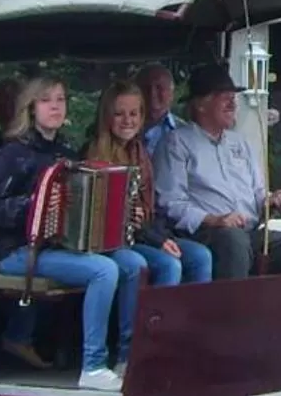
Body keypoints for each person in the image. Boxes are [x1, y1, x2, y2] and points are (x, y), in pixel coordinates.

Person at [0, 77, 134, 389]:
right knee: (103, 270)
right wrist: (36, 205)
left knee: (132, 263)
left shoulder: (66, 151)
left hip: (59, 247)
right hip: (18, 251)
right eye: (46, 100)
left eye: (60, 100)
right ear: (31, 108)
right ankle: (92, 366)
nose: (55, 106)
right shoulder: (13, 153)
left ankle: (129, 357)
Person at [153, 63, 281, 282]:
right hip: (206, 235)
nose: (232, 103)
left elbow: (258, 196)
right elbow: (170, 204)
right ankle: (233, 313)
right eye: (223, 96)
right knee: (233, 240)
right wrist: (215, 220)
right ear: (200, 104)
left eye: (233, 97)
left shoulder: (240, 143)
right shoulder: (177, 142)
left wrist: (272, 201)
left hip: (249, 236)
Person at [84, 79, 212, 286]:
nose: (127, 120)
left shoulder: (139, 152)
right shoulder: (94, 154)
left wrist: (162, 237)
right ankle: (151, 319)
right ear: (106, 117)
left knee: (200, 255)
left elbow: (148, 212)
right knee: (169, 264)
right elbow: (109, 217)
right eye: (119, 114)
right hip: (116, 242)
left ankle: (193, 318)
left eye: (134, 114)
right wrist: (158, 241)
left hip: (145, 232)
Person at [138, 62, 189, 156]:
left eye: (159, 87)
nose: (152, 94)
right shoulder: (121, 129)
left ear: (172, 93)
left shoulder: (185, 132)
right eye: (146, 88)